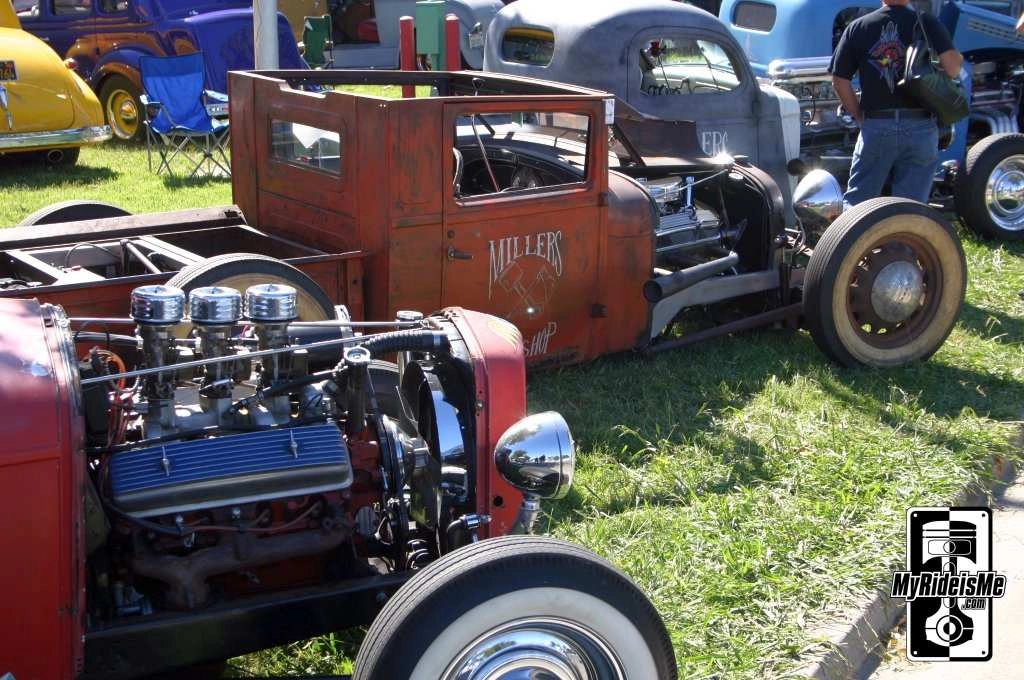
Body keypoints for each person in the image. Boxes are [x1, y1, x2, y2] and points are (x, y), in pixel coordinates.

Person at [830, 0, 963, 208]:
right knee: (910, 209)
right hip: (920, 126)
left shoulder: (858, 27)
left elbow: (839, 81)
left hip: (877, 124)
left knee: (857, 206)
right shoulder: (925, 22)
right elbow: (953, 69)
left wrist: (859, 116)